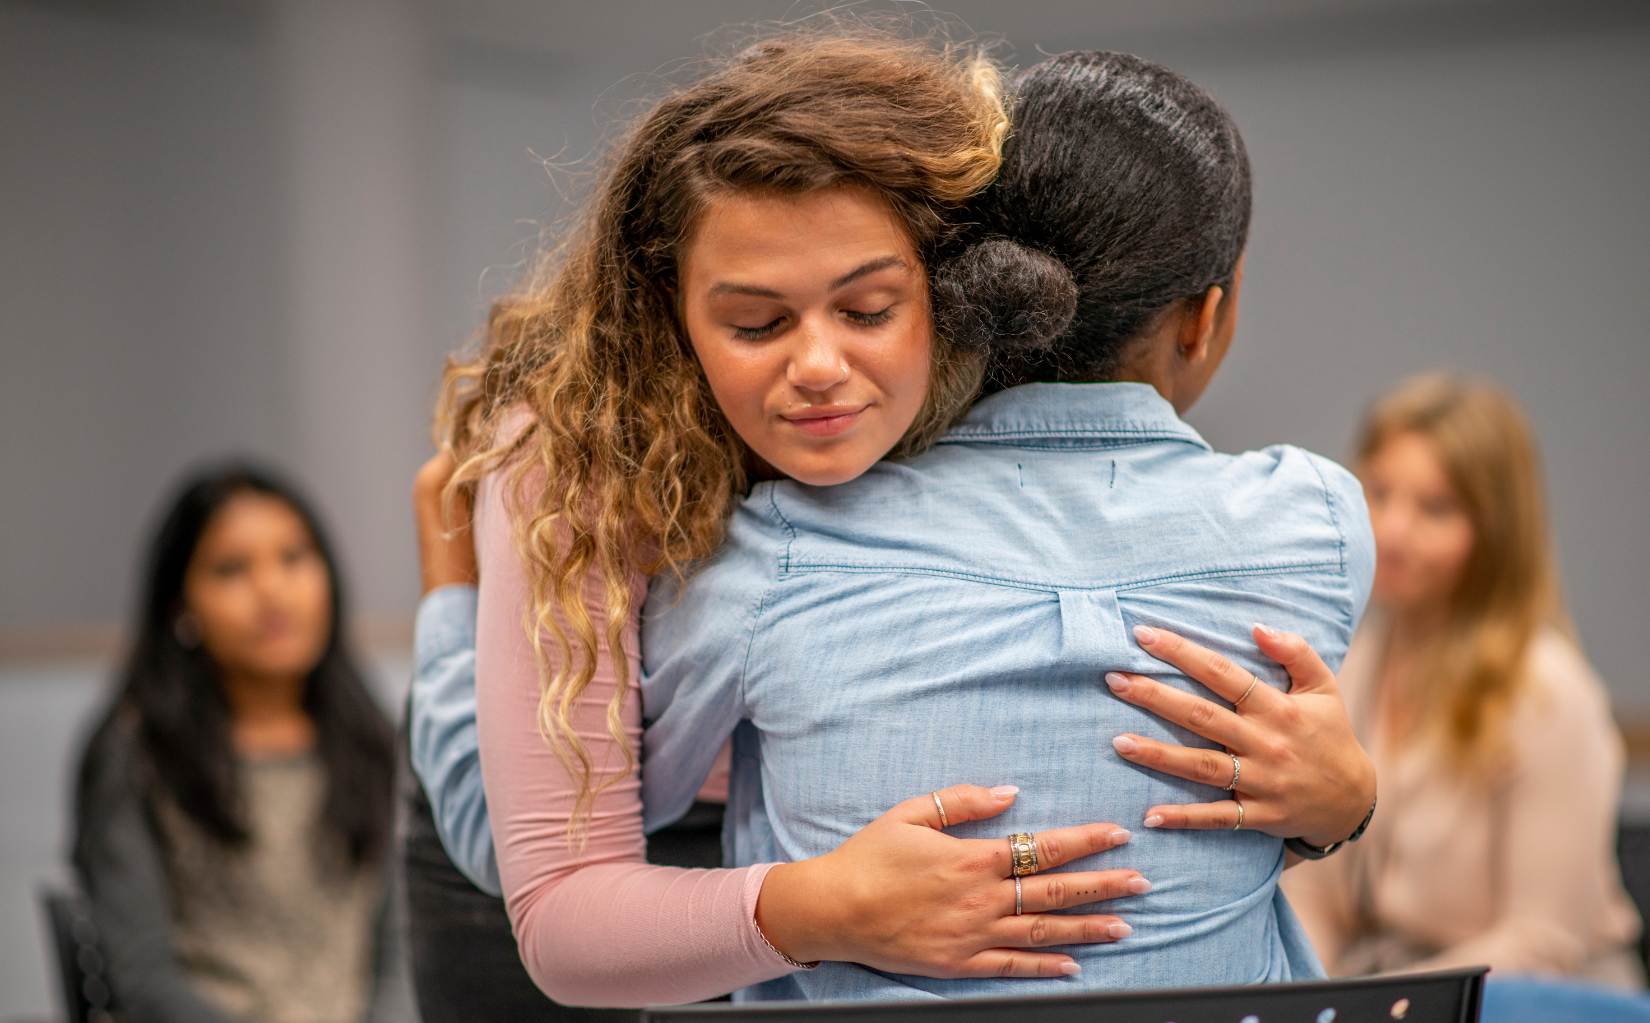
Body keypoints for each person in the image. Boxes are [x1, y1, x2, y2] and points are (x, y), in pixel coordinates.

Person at [413, 40, 1375, 1008]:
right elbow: (541, 876)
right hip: (568, 842)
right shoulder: (575, 462)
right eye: (756, 324)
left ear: (951, 282)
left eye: (869, 307)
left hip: (793, 820)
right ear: (674, 307)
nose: (822, 363)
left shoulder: (961, 373)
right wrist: (452, 599)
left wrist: (1332, 809)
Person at [1282, 375, 1644, 990]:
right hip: (1397, 992)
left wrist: (1382, 1005)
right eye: (1380, 492)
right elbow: (1316, 891)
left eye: (1435, 508)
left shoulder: (1549, 691)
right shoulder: (1355, 662)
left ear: (1495, 531)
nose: (1393, 531)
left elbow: (1542, 941)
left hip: (1537, 1002)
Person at [72, 463, 402, 1023]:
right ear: (182, 606)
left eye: (294, 559)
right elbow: (142, 979)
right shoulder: (138, 753)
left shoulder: (372, 741)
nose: (272, 591)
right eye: (231, 570)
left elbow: (400, 955)